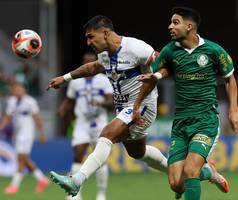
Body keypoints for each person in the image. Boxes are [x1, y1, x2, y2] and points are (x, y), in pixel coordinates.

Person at [47, 15, 168, 197]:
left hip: (141, 106)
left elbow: (165, 64)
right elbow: (92, 68)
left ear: (105, 33)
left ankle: (76, 180)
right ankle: (178, 171)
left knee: (107, 134)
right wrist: (65, 78)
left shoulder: (137, 48)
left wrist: (156, 76)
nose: (88, 42)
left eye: (90, 36)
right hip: (124, 109)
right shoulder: (104, 54)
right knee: (138, 152)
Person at [132, 7, 238, 200]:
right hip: (181, 123)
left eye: (175, 22)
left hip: (206, 121)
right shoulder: (170, 51)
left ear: (189, 26)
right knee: (177, 184)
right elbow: (155, 75)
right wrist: (137, 104)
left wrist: (234, 111)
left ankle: (201, 170)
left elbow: (230, 79)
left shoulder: (213, 50)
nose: (170, 27)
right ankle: (209, 173)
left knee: (191, 170)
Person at [58, 52, 114, 200]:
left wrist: (101, 102)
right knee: (78, 154)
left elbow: (111, 102)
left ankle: (101, 193)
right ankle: (76, 194)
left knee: (100, 159)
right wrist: (63, 108)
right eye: (85, 63)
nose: (88, 66)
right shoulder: (75, 82)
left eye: (91, 63)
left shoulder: (104, 80)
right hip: (82, 123)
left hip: (100, 123)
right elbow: (69, 101)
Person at [0, 83, 49, 194]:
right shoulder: (12, 101)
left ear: (24, 90)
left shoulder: (30, 101)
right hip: (17, 135)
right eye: (16, 89)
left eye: (20, 89)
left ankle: (14, 186)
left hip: (27, 134)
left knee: (21, 158)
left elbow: (37, 117)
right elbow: (7, 118)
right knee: (23, 158)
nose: (18, 91)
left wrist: (41, 133)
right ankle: (42, 179)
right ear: (13, 91)